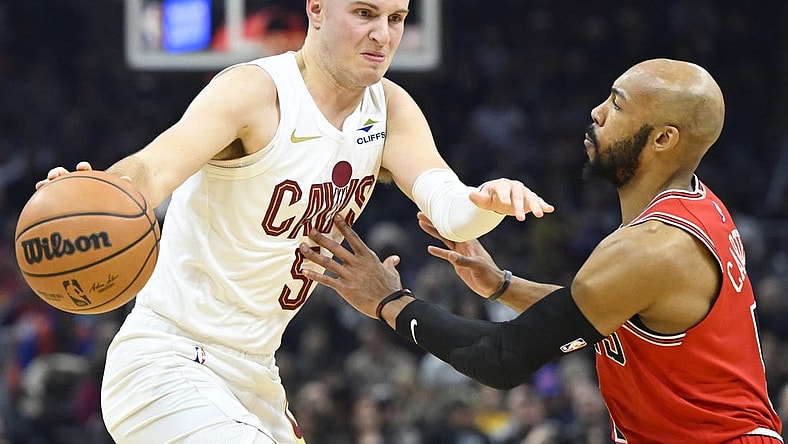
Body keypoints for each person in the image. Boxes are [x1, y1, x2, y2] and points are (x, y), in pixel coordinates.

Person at [35, 1, 555, 442]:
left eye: (397, 17)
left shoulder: (389, 107)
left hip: (257, 372)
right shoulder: (255, 92)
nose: (383, 33)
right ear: (316, 9)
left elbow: (450, 209)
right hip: (167, 360)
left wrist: (485, 202)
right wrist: (105, 190)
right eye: (365, 12)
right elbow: (153, 167)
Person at [299, 58, 785, 443]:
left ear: (662, 139)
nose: (596, 112)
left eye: (616, 105)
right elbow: (608, 314)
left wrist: (389, 302)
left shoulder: (655, 248)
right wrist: (502, 286)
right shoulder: (700, 207)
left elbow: (501, 358)